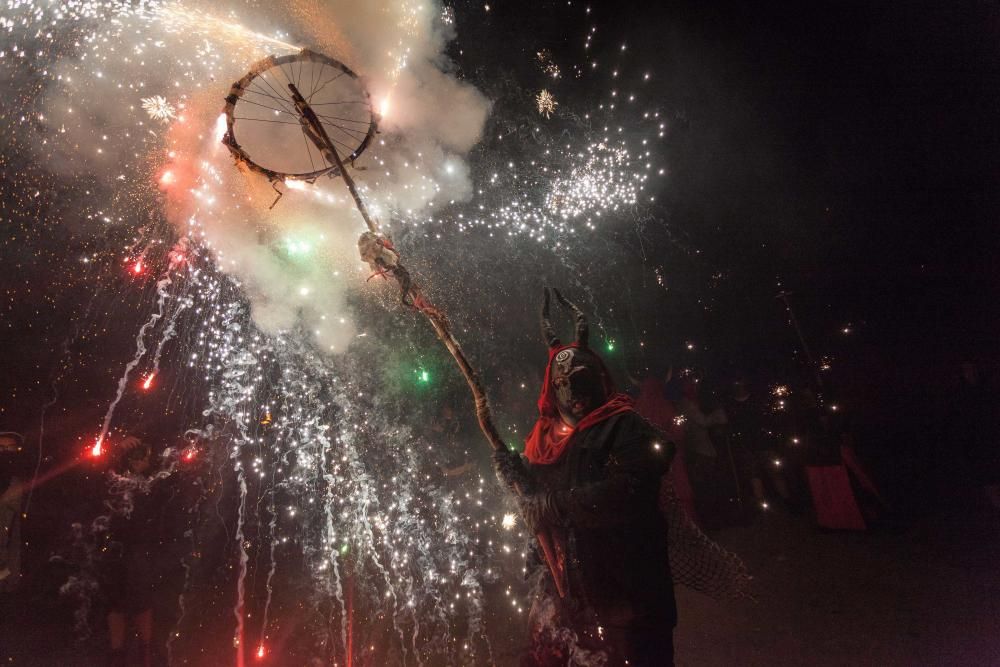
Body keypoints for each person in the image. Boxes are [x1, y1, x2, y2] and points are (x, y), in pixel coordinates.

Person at [493, 289, 676, 666]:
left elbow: (630, 491)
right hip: (571, 594)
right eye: (562, 383)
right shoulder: (548, 438)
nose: (572, 389)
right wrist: (517, 474)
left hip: (629, 592)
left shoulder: (625, 426)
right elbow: (537, 499)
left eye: (579, 377)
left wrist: (553, 505)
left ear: (597, 376)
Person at [0, 432, 26, 594]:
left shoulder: (19, 487)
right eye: (1, 448)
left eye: (11, 448)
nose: (6, 452)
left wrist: (12, 576)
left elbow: (16, 536)